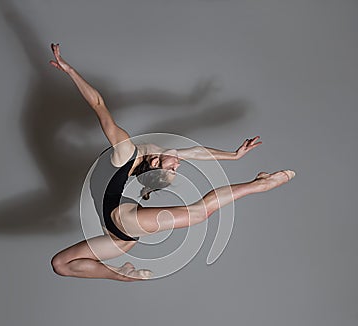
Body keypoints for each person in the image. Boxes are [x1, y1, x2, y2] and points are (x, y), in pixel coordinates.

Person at [49, 43, 295, 282]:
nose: (178, 163)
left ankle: (259, 184)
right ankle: (122, 274)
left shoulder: (127, 151)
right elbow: (196, 152)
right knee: (61, 265)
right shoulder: (142, 154)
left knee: (198, 214)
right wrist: (70, 71)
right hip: (118, 236)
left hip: (119, 222)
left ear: (156, 163)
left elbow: (99, 104)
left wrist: (234, 155)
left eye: (173, 168)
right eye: (176, 168)